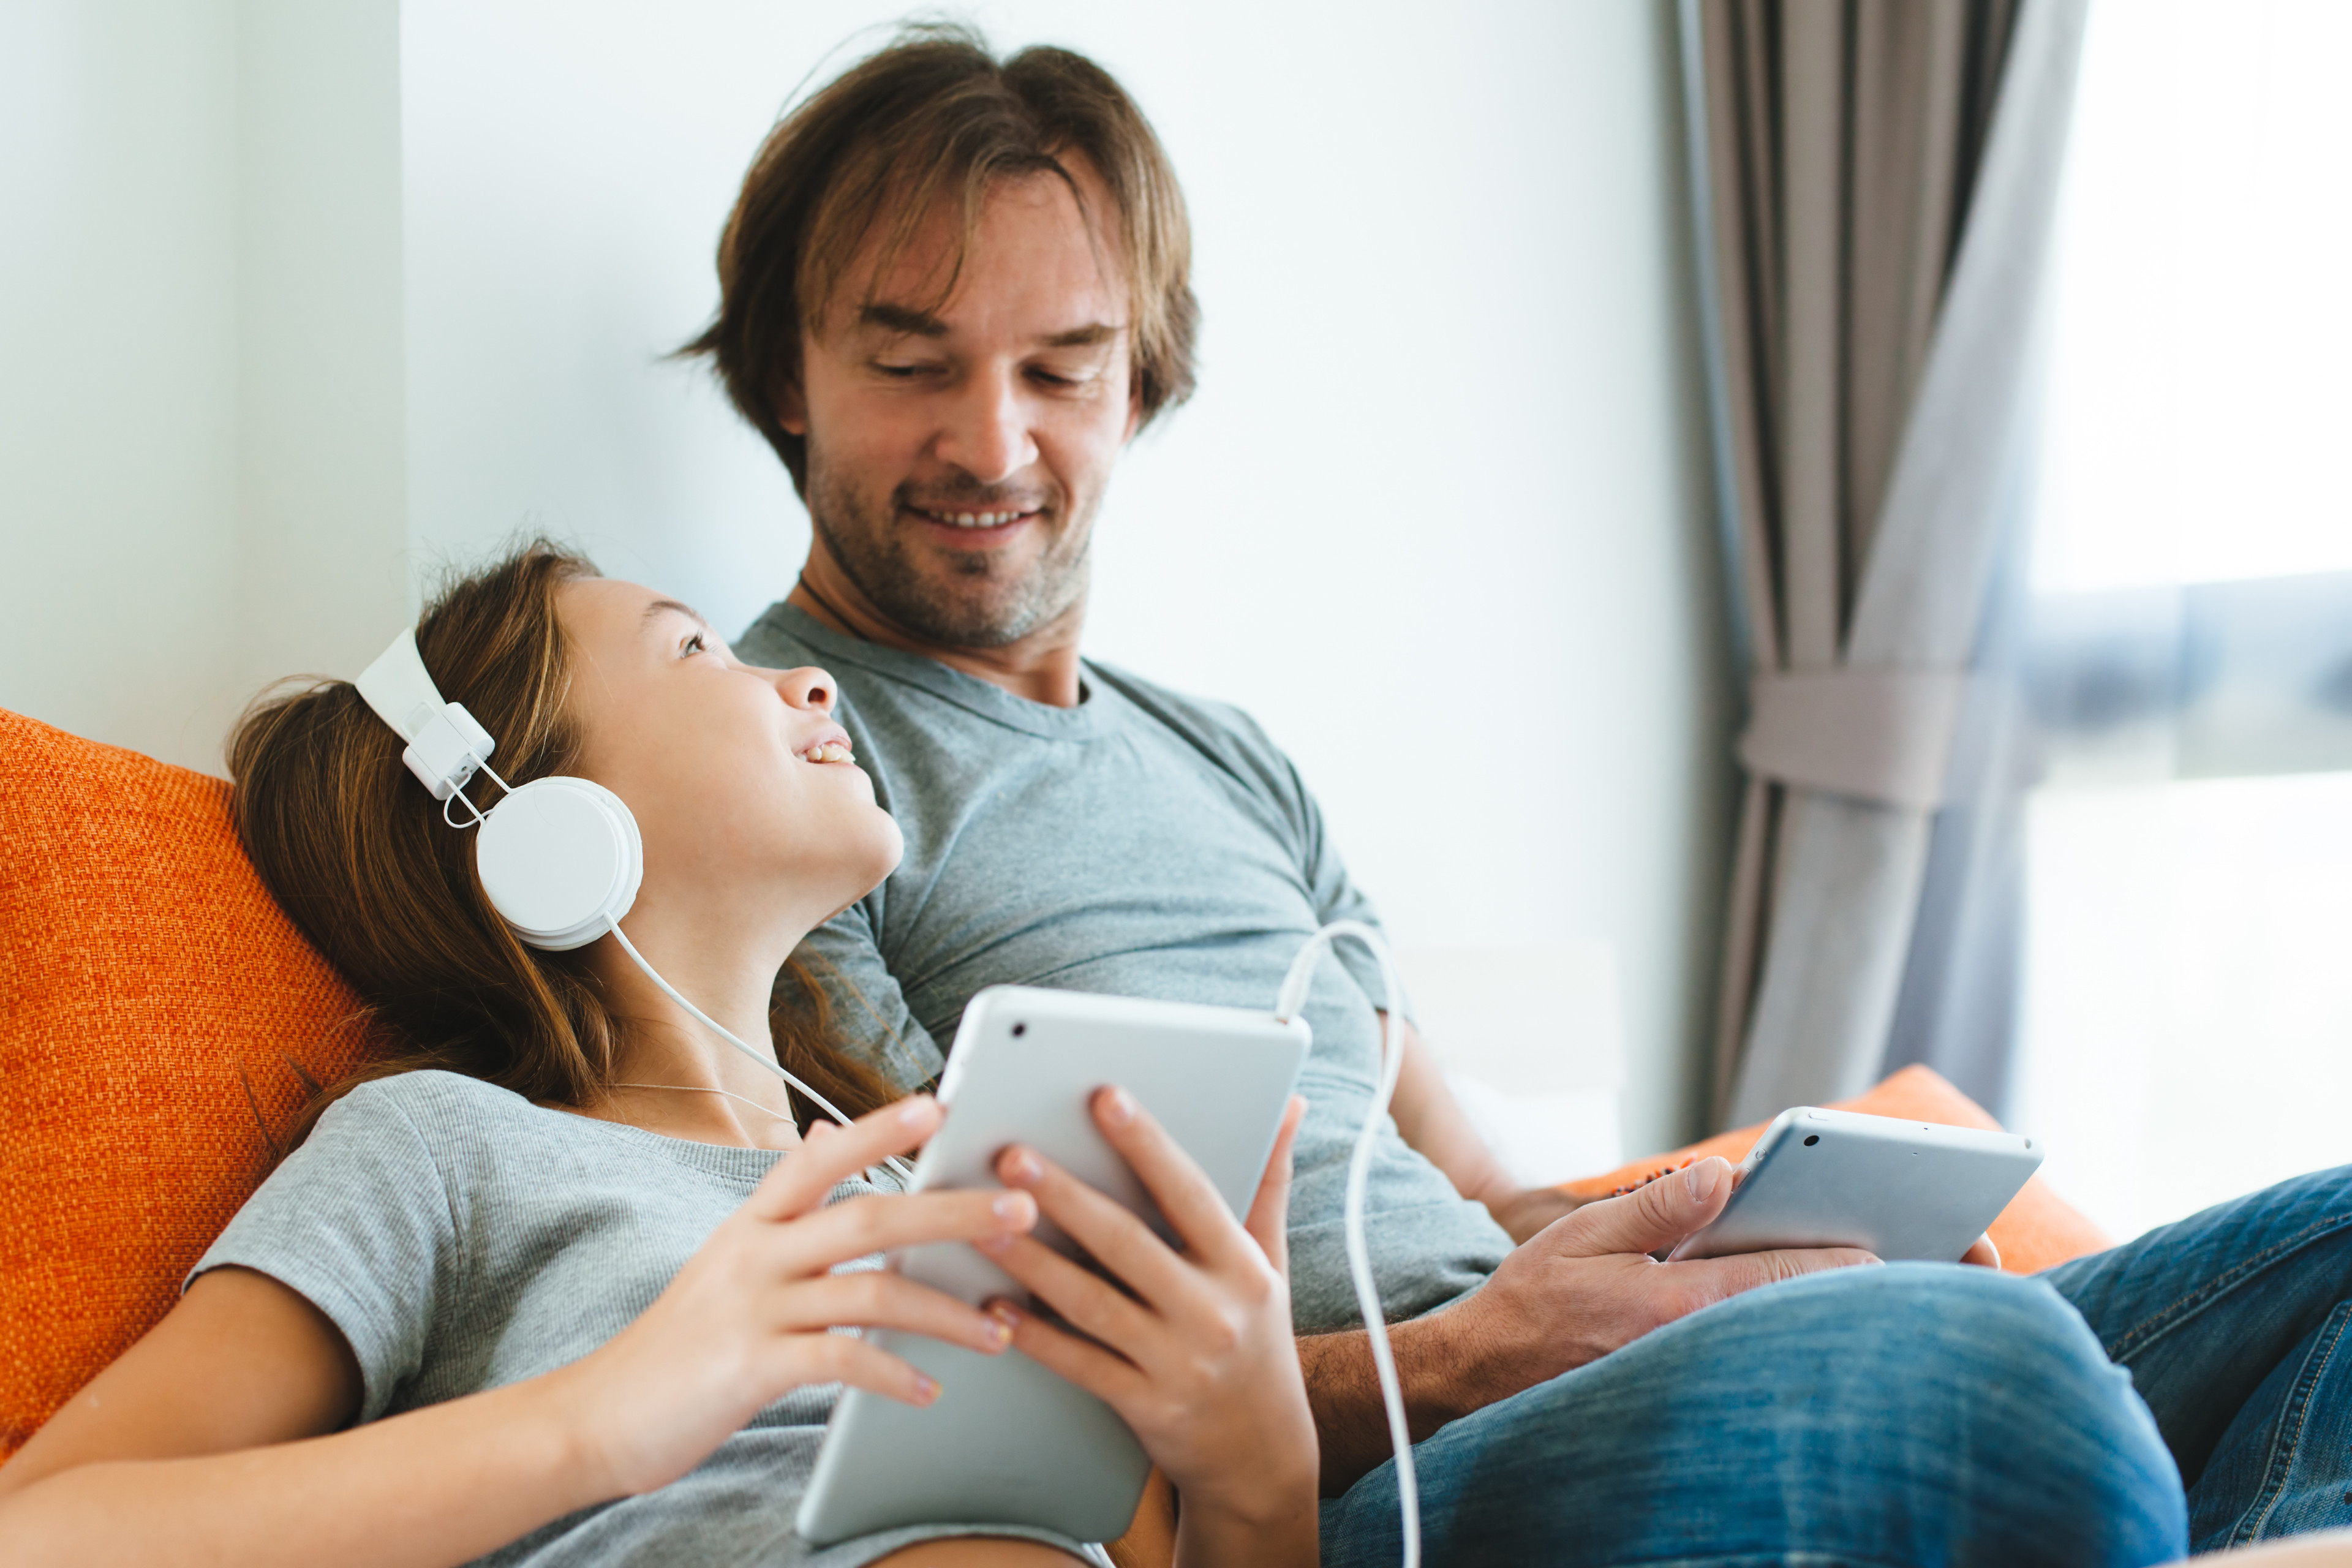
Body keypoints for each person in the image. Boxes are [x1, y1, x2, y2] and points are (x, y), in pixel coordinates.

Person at [685, 25, 2352, 1564]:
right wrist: (1472, 1356)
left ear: (1141, 384)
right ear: (789, 375)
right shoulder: (774, 762)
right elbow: (946, 1361)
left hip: (1561, 1383)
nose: (992, 443)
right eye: (913, 364)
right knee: (2004, 1396)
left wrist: (1745, 1244)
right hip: (1352, 1484)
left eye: (1061, 370)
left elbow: (1483, 1187)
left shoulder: (1229, 757)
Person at [0, 545, 1322, 1568]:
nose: (811, 682)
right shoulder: (446, 1147)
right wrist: (604, 1418)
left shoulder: (931, 1198)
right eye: (697, 649)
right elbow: (42, 1531)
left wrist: (1262, 1476)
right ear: (540, 821)